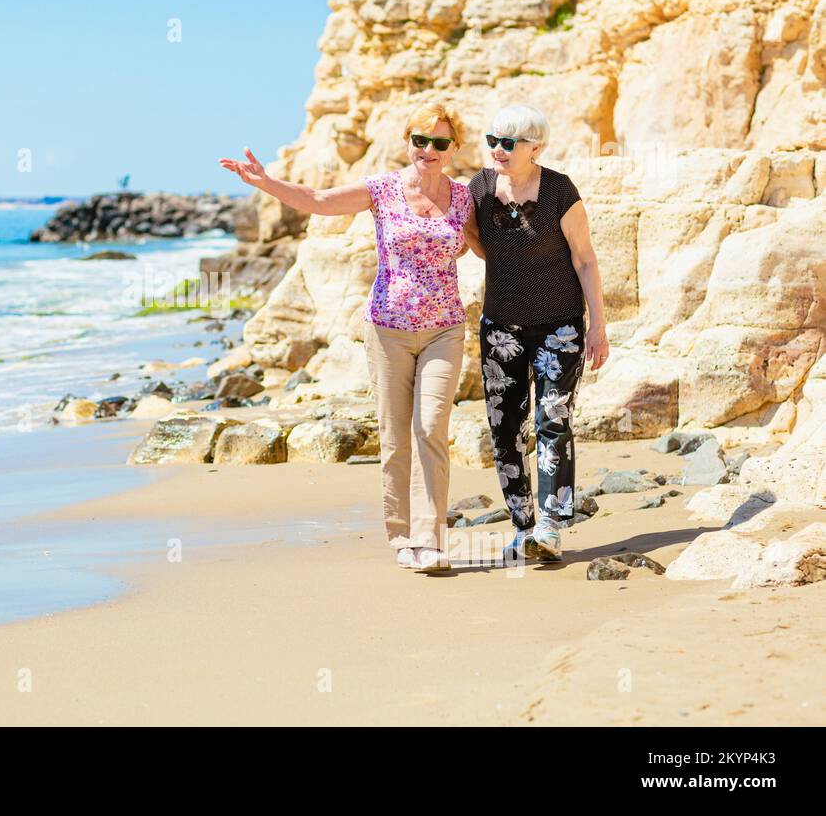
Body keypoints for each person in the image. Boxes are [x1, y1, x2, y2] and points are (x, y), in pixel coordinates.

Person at [219, 102, 482, 572]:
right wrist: (265, 182)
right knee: (395, 436)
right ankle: (402, 536)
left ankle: (431, 535)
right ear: (407, 142)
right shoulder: (382, 190)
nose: (428, 149)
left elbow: (493, 250)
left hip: (445, 328)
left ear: (453, 150)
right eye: (420, 140)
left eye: (440, 143)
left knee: (431, 428)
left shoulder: (463, 199)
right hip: (387, 330)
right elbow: (318, 201)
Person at [467, 104, 610, 562]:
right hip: (499, 327)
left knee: (553, 419)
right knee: (505, 428)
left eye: (508, 143)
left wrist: (598, 327)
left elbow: (585, 259)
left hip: (559, 327)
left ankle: (549, 525)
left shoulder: (559, 190)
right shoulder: (482, 187)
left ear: (535, 147)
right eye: (492, 140)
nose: (497, 150)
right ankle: (521, 524)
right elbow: (473, 238)